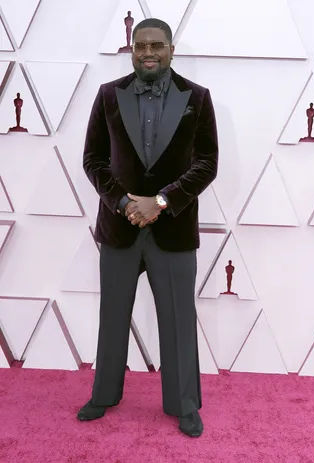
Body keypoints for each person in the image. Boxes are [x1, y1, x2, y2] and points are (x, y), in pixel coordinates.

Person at [77, 17, 219, 438]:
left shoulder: (198, 97)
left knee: (178, 319)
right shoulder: (107, 96)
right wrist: (124, 203)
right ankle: (103, 394)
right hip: (119, 227)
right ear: (132, 49)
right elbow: (94, 160)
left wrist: (160, 202)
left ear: (171, 49)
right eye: (141, 46)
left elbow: (207, 164)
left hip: (172, 230)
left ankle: (185, 404)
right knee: (112, 315)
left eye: (157, 45)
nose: (149, 52)